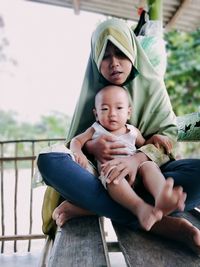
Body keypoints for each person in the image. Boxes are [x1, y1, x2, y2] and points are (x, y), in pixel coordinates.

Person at [37, 15, 200, 255]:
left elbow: (167, 135)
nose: (114, 63)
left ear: (133, 53)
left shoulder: (152, 85)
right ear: (95, 59)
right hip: (104, 175)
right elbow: (76, 143)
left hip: (147, 174)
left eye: (121, 53)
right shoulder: (93, 92)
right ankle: (163, 224)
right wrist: (91, 148)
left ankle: (93, 207)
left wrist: (136, 159)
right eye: (105, 55)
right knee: (48, 161)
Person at [69, 84, 186, 231]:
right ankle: (140, 208)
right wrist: (77, 152)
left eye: (119, 108)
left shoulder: (132, 131)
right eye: (105, 109)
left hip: (136, 168)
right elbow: (76, 141)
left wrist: (155, 137)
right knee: (112, 177)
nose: (112, 114)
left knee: (149, 166)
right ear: (96, 114)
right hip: (114, 171)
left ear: (129, 112)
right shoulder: (95, 129)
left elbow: (144, 146)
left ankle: (162, 195)